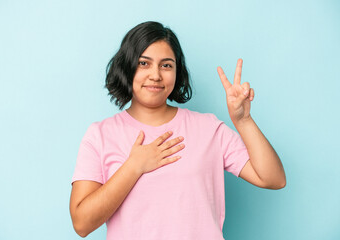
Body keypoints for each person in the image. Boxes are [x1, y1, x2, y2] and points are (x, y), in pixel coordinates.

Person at [69, 21, 286, 240]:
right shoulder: (100, 135)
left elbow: (273, 179)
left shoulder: (208, 128)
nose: (155, 75)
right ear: (127, 66)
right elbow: (82, 223)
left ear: (177, 71)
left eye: (166, 65)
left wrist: (243, 120)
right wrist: (134, 166)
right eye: (144, 63)